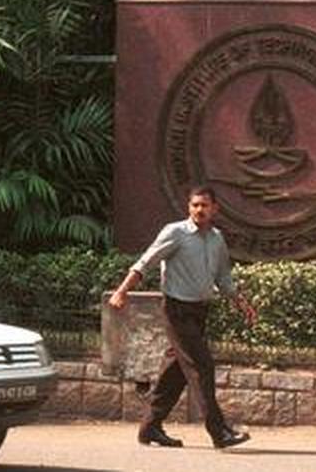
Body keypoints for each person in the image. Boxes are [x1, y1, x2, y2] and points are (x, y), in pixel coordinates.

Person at [107, 185, 258, 450]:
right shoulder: (175, 232)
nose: (199, 210)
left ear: (215, 209)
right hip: (176, 310)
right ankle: (219, 431)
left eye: (205, 205)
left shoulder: (216, 238)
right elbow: (146, 262)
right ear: (189, 207)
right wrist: (122, 292)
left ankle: (150, 427)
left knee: (174, 373)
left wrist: (241, 303)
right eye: (195, 205)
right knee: (202, 366)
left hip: (199, 311)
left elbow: (223, 278)